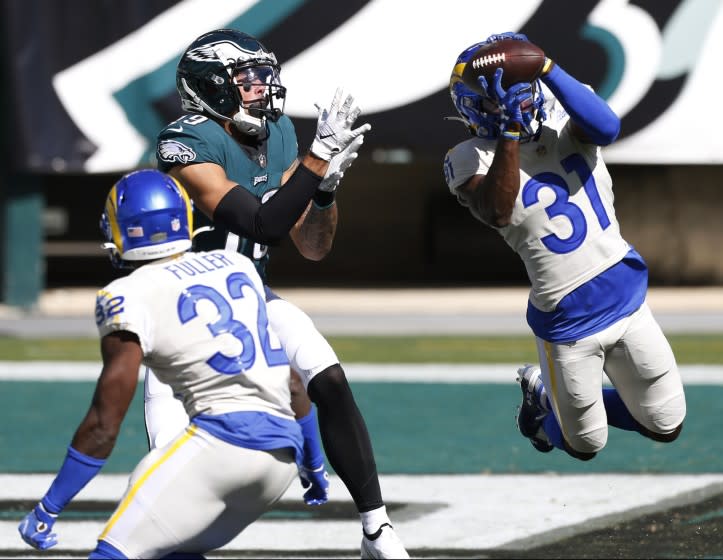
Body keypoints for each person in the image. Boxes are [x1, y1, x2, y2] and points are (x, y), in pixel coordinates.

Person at [154, 29, 407, 557]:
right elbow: (263, 222)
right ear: (211, 86)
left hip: (253, 293)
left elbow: (311, 246)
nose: (262, 88)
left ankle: (376, 529)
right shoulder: (185, 141)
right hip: (182, 311)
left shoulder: (280, 133)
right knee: (169, 463)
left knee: (330, 378)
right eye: (247, 79)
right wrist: (317, 161)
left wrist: (326, 190)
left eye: (265, 76)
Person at [19, 169, 319, 557]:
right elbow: (293, 383)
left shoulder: (127, 294)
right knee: (172, 549)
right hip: (282, 459)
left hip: (223, 447)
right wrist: (313, 462)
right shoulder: (236, 266)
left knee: (114, 551)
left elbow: (103, 425)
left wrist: (49, 506)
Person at [443, 32, 686, 462]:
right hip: (567, 320)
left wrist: (547, 66)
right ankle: (540, 402)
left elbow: (608, 128)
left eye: (519, 91)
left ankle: (555, 394)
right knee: (584, 444)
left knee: (666, 426)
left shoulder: (567, 117)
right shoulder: (469, 158)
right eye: (499, 98)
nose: (511, 102)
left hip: (626, 294)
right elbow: (497, 211)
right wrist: (510, 134)